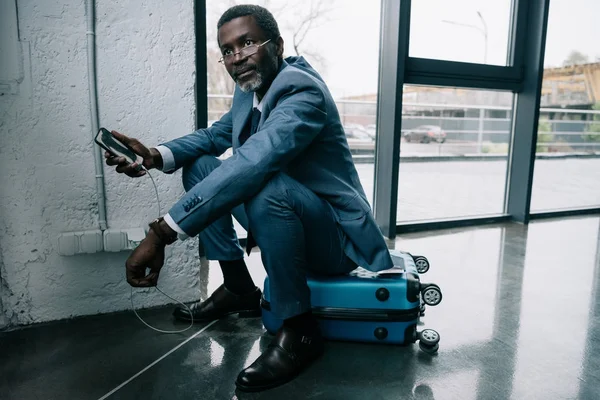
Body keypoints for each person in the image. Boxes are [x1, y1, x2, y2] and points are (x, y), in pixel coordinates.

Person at [105, 4, 394, 392]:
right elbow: (215, 137)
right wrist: (155, 155)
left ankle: (300, 330)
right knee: (200, 166)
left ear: (277, 45)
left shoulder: (301, 90)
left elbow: (254, 162)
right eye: (227, 49)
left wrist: (161, 233)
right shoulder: (252, 89)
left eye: (248, 43)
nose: (236, 57)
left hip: (333, 238)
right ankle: (239, 288)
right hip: (292, 214)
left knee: (265, 186)